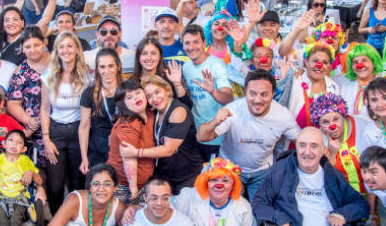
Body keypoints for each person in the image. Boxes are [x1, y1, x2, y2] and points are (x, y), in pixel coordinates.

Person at [196, 69, 296, 201]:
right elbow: (201, 136)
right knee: (231, 212)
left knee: (261, 213)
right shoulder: (233, 110)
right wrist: (214, 121)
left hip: (262, 172)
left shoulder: (283, 115)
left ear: (273, 94)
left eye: (264, 94)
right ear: (246, 93)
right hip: (230, 171)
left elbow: (300, 140)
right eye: (252, 93)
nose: (258, 100)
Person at [119, 76, 201, 194]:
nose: (155, 98)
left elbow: (168, 150)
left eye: (157, 92)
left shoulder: (178, 111)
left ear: (167, 90)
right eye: (149, 96)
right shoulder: (155, 112)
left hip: (187, 176)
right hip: (165, 176)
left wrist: (136, 152)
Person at [41, 32, 92, 213]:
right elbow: (45, 109)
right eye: (61, 46)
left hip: (79, 132)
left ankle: (76, 222)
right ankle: (57, 222)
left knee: (77, 184)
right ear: (57, 51)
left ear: (77, 49)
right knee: (54, 186)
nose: (66, 50)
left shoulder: (87, 76)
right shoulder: (49, 76)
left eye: (70, 46)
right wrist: (46, 140)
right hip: (56, 133)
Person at [180, 25, 233, 161]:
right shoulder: (186, 67)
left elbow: (228, 98)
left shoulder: (217, 66)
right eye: (187, 43)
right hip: (195, 134)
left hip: (215, 136)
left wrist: (213, 91)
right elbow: (191, 98)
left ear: (204, 43)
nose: (191, 47)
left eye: (196, 41)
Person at [7, 26, 51, 169]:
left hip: (62, 126)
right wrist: (29, 120)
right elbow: (13, 103)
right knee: (41, 174)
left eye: (36, 45)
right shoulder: (20, 73)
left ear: (44, 43)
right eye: (28, 46)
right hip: (35, 131)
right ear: (22, 49)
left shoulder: (58, 62)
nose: (32, 50)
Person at [311, 93, 372, 194]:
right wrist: (332, 153)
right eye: (326, 122)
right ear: (319, 125)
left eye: (336, 119)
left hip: (370, 194)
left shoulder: (363, 126)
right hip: (341, 198)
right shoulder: (317, 140)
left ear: (343, 116)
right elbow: (321, 181)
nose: (332, 126)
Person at [106, 80, 155, 203]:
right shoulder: (128, 123)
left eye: (138, 92)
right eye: (129, 97)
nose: (136, 97)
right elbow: (129, 156)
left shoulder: (150, 114)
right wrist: (133, 187)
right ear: (123, 104)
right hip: (124, 187)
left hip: (145, 185)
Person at [79, 50, 121, 172]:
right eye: (102, 67)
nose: (106, 71)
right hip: (97, 153)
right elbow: (84, 127)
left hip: (123, 151)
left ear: (118, 66)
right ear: (97, 69)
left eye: (111, 66)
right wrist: (84, 158)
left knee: (120, 190)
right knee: (97, 189)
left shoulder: (128, 90)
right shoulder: (89, 93)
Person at [286, 43, 341, 131]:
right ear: (306, 62)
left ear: (329, 67)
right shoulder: (295, 80)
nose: (319, 65)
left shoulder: (335, 88)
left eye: (325, 62)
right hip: (292, 141)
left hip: (320, 142)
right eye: (315, 61)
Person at [336, 43, 386, 115]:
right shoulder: (341, 80)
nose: (360, 65)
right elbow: (322, 80)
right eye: (355, 62)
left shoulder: (384, 86)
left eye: (364, 60)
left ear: (373, 62)